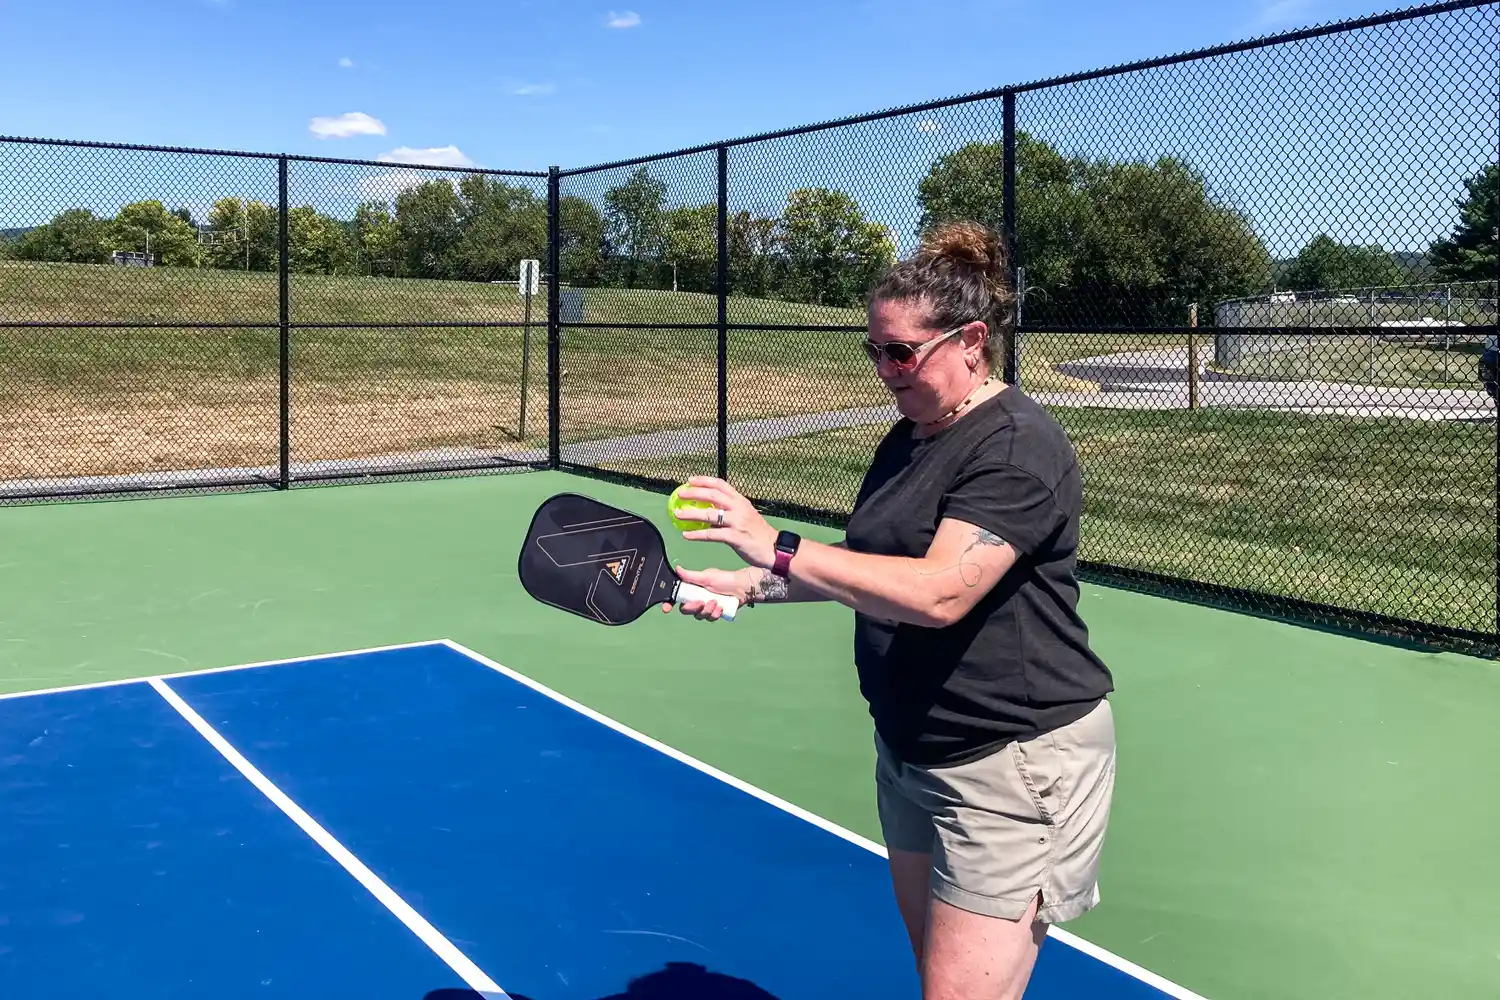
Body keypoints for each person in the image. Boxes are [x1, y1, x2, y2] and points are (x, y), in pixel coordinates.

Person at [661, 220, 1117, 1000]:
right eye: (874, 351)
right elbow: (873, 569)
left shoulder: (1015, 445)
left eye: (901, 352)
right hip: (911, 751)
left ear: (971, 339)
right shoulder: (911, 434)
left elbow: (941, 592)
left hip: (1011, 763)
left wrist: (774, 545)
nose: (884, 370)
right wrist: (748, 584)